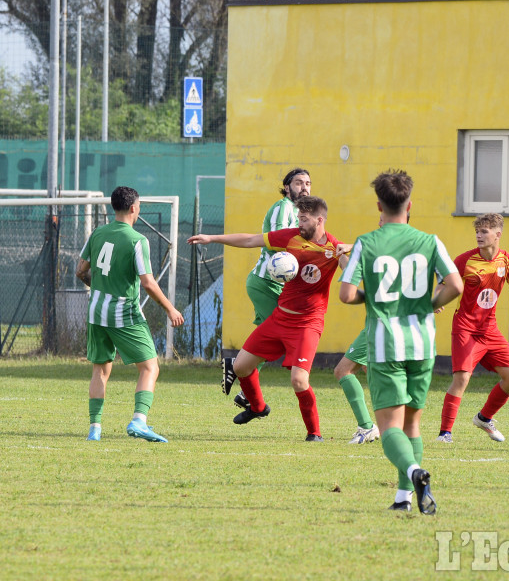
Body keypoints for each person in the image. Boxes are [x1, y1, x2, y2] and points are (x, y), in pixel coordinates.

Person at [340, 169, 463, 514]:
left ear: (379, 205)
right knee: (412, 424)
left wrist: (374, 296)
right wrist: (428, 303)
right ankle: (403, 498)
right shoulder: (430, 240)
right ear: (410, 205)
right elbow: (455, 285)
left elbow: (347, 295)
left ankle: (413, 472)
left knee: (389, 427)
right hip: (422, 344)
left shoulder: (366, 242)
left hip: (385, 345)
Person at [188, 196, 349, 441]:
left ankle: (314, 433)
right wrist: (212, 238)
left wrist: (350, 252)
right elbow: (251, 239)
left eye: (304, 219)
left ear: (319, 220)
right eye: (298, 218)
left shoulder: (333, 248)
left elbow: (352, 272)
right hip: (280, 318)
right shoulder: (291, 237)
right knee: (241, 366)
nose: (300, 223)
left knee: (298, 380)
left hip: (308, 323)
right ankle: (258, 407)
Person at [76, 186, 184, 442]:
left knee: (100, 370)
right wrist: (171, 308)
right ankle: (139, 421)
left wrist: (101, 287)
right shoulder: (137, 240)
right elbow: (147, 282)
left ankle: (95, 429)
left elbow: (81, 270)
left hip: (96, 312)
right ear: (134, 208)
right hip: (123, 312)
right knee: (149, 367)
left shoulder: (98, 233)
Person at [436, 213, 509, 444]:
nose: (479, 236)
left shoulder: (507, 261)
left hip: (489, 330)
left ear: (497, 235)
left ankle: (484, 418)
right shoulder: (464, 260)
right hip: (465, 328)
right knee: (461, 378)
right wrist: (437, 303)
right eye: (477, 232)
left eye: (484, 232)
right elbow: (442, 285)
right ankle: (445, 434)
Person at [226, 168, 312, 410]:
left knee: (266, 332)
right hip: (266, 282)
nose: (304, 187)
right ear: (287, 187)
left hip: (274, 285)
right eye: (298, 183)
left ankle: (243, 384)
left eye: (307, 183)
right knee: (281, 335)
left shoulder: (303, 214)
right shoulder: (283, 207)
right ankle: (239, 371)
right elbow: (276, 241)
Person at [334, 329, 379, 444]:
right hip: (387, 322)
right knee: (371, 369)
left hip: (382, 322)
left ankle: (367, 426)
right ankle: (395, 426)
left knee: (343, 370)